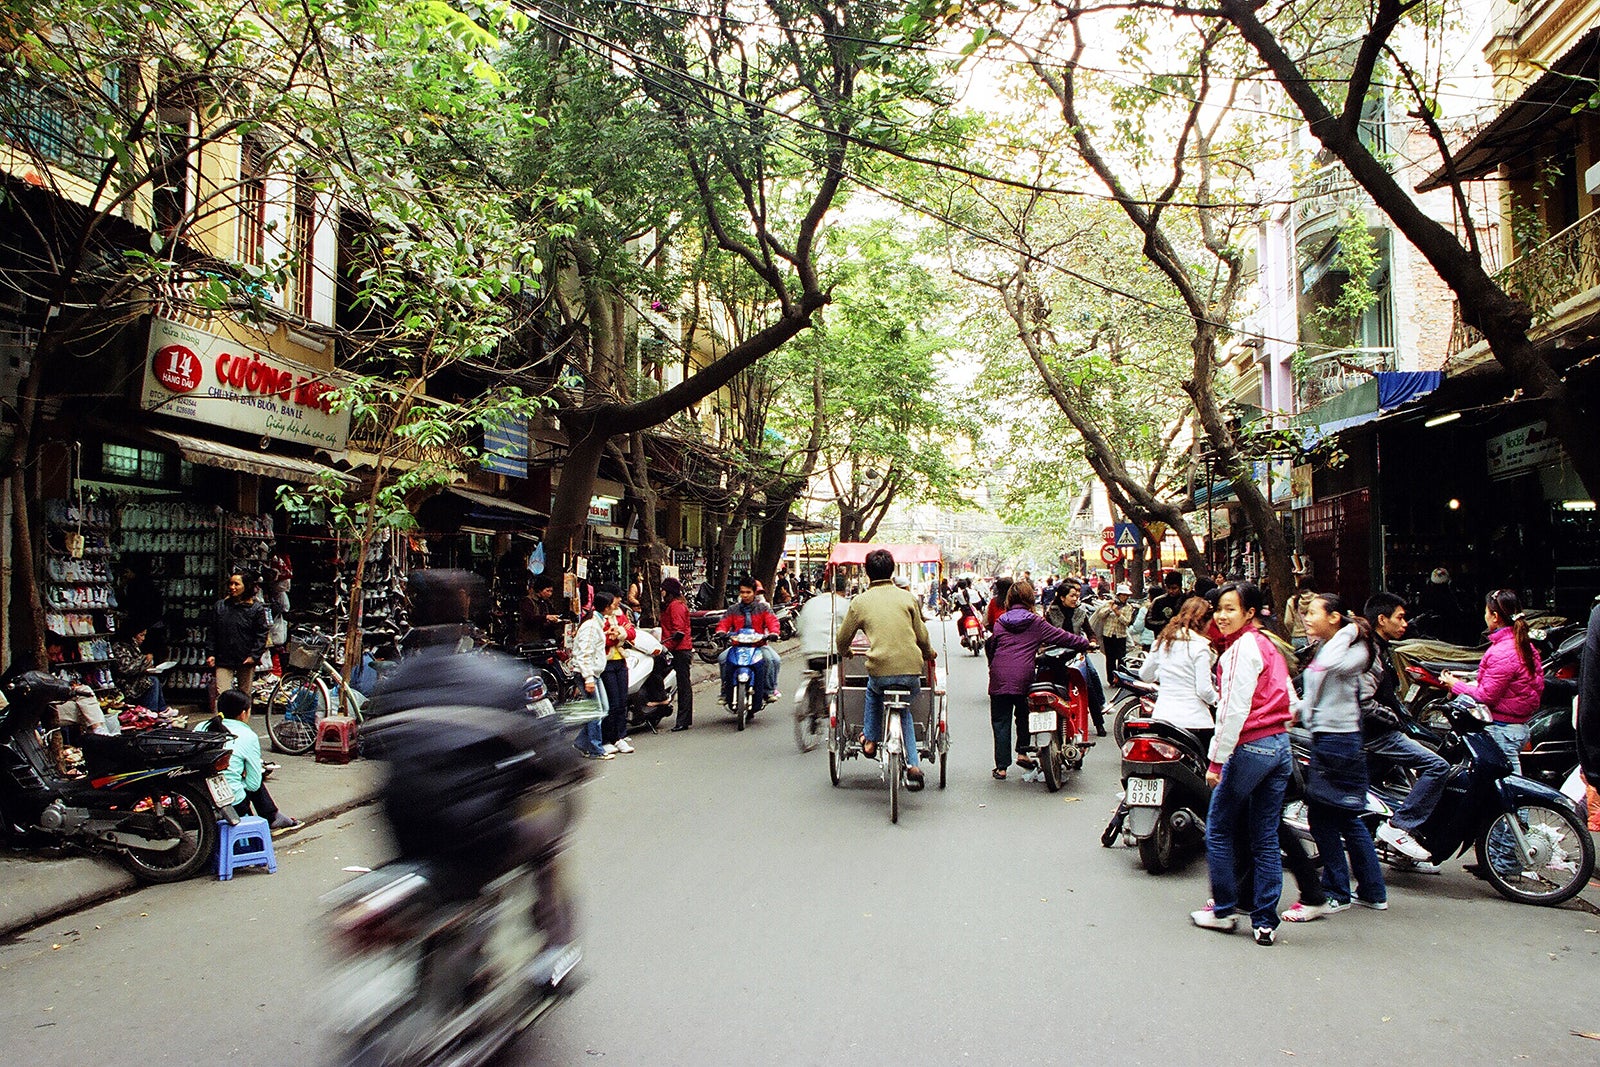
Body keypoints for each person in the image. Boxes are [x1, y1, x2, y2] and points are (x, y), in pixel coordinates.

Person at [366, 569, 585, 959]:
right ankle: (555, 947)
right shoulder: (500, 675)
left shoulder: (395, 681)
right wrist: (569, 767)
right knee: (548, 837)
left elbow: (374, 748)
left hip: (403, 824)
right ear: (470, 612)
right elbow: (551, 747)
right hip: (480, 828)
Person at [1190, 582, 1293, 946]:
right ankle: (1265, 921)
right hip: (1280, 746)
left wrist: (1217, 761)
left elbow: (1232, 710)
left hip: (1250, 748)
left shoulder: (1239, 651)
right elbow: (1291, 701)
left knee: (1218, 828)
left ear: (1250, 612)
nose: (1222, 615)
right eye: (1219, 608)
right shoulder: (1270, 645)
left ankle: (1224, 910)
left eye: (1231, 608)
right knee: (1265, 836)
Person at [1291, 593, 1386, 919]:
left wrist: (1347, 630)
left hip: (1339, 742)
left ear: (1335, 617)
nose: (1307, 617)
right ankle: (1371, 891)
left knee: (1326, 816)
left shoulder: (1352, 650)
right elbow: (1319, 690)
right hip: (1331, 738)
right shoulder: (1335, 646)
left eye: (1314, 612)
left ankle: (1337, 891)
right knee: (1345, 816)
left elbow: (1326, 669)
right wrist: (1297, 711)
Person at [835, 548, 938, 790]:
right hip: (912, 671)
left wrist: (846, 652)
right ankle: (913, 765)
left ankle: (870, 740)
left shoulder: (859, 602)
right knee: (905, 712)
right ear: (892, 570)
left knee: (873, 692)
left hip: (879, 671)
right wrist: (928, 653)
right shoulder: (908, 598)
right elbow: (922, 636)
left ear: (866, 572)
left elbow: (842, 639)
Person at [1362, 592, 1450, 865]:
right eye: (1399, 618)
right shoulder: (1369, 653)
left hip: (1380, 731)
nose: (1404, 624)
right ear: (1381, 619)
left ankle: (1400, 853)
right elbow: (1365, 702)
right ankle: (1399, 827)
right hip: (1377, 735)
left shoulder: (1382, 649)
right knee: (1437, 767)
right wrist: (1394, 720)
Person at [987, 580, 1089, 780]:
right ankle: (1022, 752)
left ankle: (1001, 768)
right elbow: (1062, 637)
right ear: (1030, 598)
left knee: (1000, 721)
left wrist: (993, 667)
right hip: (1023, 675)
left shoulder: (1001, 621)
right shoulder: (1035, 622)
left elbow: (992, 646)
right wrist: (1085, 643)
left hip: (998, 676)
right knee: (1024, 714)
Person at [1442, 588, 1544, 774]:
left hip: (1503, 730)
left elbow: (1486, 696)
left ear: (1495, 616)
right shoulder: (1525, 645)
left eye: (1486, 611)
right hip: (1518, 727)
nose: (1485, 616)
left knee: (1509, 788)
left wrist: (1455, 685)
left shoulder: (1502, 651)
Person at [205, 688, 298, 832]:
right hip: (229, 804)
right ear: (243, 714)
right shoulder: (248, 735)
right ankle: (272, 816)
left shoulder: (202, 727)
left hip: (200, 800)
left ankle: (273, 816)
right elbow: (253, 785)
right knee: (252, 777)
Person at [1138, 598, 1218, 748]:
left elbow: (1145, 675)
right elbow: (1204, 690)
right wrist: (1218, 700)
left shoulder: (1162, 641)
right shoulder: (1200, 647)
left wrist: (1163, 675)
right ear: (1204, 622)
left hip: (1163, 718)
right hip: (1195, 721)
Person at [206, 571, 268, 710]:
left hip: (245, 657)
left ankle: (242, 725)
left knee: (244, 695)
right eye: (231, 584)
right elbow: (212, 632)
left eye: (236, 584)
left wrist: (254, 655)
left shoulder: (255, 609)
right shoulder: (220, 606)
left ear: (246, 586)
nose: (232, 587)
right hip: (223, 656)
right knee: (221, 695)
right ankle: (221, 726)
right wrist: (210, 653)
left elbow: (261, 634)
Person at [717, 575, 782, 708]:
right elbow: (724, 623)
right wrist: (721, 632)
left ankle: (769, 691)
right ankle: (725, 692)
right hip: (737, 646)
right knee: (723, 659)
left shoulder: (763, 608)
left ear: (754, 593)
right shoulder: (733, 609)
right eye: (742, 592)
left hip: (759, 646)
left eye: (748, 592)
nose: (745, 595)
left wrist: (773, 633)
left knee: (773, 660)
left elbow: (772, 622)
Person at [1055, 583, 1107, 735]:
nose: (1075, 599)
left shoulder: (1080, 613)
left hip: (1077, 655)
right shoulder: (1051, 613)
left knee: (1088, 686)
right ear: (1062, 597)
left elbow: (1091, 633)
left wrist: (1092, 642)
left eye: (1076, 596)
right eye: (1071, 596)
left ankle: (1099, 723)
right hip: (1056, 655)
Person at [568, 595, 616, 759]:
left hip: (594, 673)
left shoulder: (597, 624)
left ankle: (582, 743)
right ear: (607, 607)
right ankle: (596, 749)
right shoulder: (591, 626)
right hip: (587, 673)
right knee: (596, 711)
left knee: (603, 709)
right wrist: (588, 678)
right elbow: (584, 654)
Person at [597, 591, 636, 753]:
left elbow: (631, 633)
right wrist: (617, 636)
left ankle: (620, 736)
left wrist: (619, 634)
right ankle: (608, 737)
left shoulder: (620, 615)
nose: (618, 602)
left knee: (622, 701)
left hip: (620, 661)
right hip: (606, 663)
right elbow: (601, 639)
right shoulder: (596, 619)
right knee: (611, 703)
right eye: (615, 600)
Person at [659, 577, 695, 732]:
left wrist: (665, 647)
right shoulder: (673, 605)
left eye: (663, 589)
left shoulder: (676, 606)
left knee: (683, 685)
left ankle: (683, 720)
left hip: (679, 650)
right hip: (676, 648)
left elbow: (677, 632)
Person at [110, 624, 167, 713]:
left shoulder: (133, 646)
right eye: (141, 635)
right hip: (124, 683)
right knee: (152, 681)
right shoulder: (119, 647)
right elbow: (125, 668)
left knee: (154, 679)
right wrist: (144, 660)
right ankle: (151, 711)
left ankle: (162, 710)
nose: (143, 639)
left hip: (134, 679)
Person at [1091, 584, 1139, 679]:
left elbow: (1126, 621)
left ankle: (1122, 678)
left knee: (1121, 658)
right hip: (1108, 635)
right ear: (1119, 595)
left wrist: (1117, 613)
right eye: (1123, 595)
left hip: (1120, 636)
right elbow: (1100, 615)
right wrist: (1110, 609)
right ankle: (1111, 678)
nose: (1125, 597)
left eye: (1127, 595)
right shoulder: (1109, 603)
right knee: (1110, 659)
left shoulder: (1128, 607)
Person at [517, 574, 564, 646]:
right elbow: (528, 618)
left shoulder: (546, 602)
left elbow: (553, 613)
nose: (550, 594)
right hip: (530, 639)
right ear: (539, 590)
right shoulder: (527, 601)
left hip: (544, 639)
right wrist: (546, 617)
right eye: (547, 591)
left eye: (551, 591)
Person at [1144, 571, 1188, 641]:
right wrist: (1167, 623)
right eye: (1168, 588)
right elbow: (1148, 622)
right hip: (1163, 640)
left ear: (1180, 587)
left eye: (1174, 588)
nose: (1170, 591)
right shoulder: (1159, 601)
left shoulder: (1187, 601)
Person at [1283, 577, 1317, 651]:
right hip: (1316, 637)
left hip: (1298, 638)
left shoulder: (1292, 601)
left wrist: (1294, 631)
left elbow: (1287, 621)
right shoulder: (1319, 600)